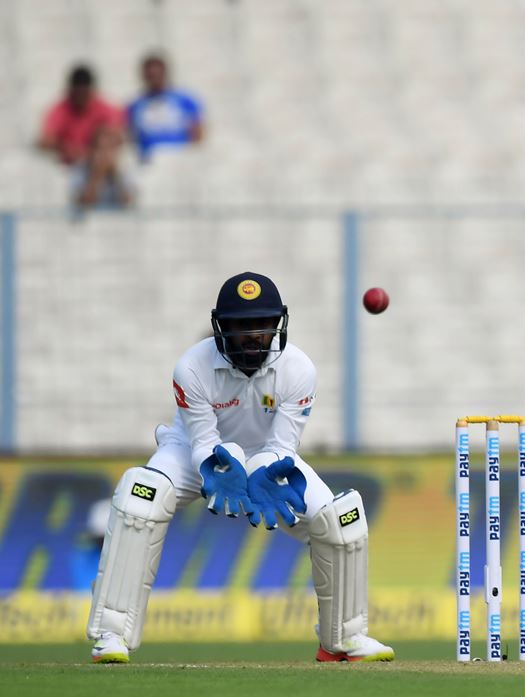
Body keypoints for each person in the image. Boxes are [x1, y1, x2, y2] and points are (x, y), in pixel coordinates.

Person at [86, 272, 394, 664]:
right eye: (242, 326)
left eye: (261, 326)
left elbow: (282, 445)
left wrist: (265, 470)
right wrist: (217, 465)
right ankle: (112, 635)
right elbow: (201, 441)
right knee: (140, 498)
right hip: (194, 454)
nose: (252, 336)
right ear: (221, 328)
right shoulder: (192, 367)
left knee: (341, 520)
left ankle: (344, 639)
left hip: (268, 454)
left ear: (277, 325)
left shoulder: (299, 370)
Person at [38, 64, 133, 207]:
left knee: (108, 153)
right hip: (74, 166)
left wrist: (96, 154)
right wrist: (67, 149)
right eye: (78, 93)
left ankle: (95, 183)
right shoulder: (61, 108)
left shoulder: (103, 107)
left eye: (85, 93)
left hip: (98, 161)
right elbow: (44, 140)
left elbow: (119, 134)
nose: (82, 98)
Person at [125, 53, 204, 162]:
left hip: (179, 157)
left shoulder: (185, 100)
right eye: (150, 76)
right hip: (150, 160)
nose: (154, 79)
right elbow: (130, 136)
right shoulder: (134, 106)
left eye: (157, 75)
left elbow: (197, 132)